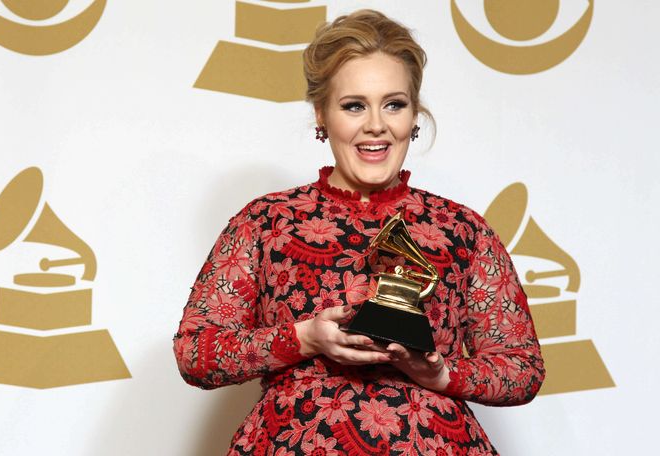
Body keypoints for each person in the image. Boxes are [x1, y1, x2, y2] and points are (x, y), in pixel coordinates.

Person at [174, 9, 544, 455]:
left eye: (394, 104)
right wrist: (303, 338)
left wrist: (441, 375)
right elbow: (197, 354)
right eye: (354, 106)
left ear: (414, 116)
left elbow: (522, 367)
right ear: (321, 115)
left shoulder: (462, 229)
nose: (376, 125)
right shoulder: (265, 222)